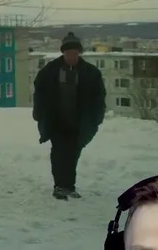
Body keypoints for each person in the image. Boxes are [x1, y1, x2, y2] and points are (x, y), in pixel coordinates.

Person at [32, 32, 106, 200]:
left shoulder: (90, 73)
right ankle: (59, 186)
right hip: (57, 121)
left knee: (73, 154)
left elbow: (99, 97)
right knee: (58, 153)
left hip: (79, 122)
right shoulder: (50, 71)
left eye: (74, 53)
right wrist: (39, 113)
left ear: (79, 53)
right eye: (68, 53)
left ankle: (69, 186)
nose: (71, 56)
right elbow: (39, 91)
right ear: (63, 53)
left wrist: (97, 117)